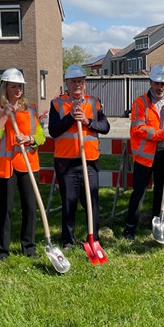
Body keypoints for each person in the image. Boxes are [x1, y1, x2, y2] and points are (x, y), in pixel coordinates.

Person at [0, 69, 45, 261]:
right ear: (5, 88)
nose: (18, 90)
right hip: (5, 167)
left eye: (20, 86)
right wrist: (5, 116)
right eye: (14, 86)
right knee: (6, 208)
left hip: (27, 165)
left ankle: (29, 247)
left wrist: (29, 138)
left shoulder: (30, 110)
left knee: (29, 206)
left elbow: (41, 137)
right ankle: (2, 250)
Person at [48, 65, 110, 248]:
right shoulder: (57, 104)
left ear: (85, 83)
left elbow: (105, 127)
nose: (77, 85)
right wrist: (70, 116)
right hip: (66, 163)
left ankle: (94, 238)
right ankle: (67, 240)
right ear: (66, 83)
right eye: (73, 81)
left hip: (89, 161)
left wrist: (86, 121)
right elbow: (53, 131)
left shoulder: (94, 102)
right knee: (69, 201)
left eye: (80, 81)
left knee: (92, 201)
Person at [122, 65, 164, 240]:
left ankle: (156, 222)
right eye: (157, 83)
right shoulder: (141, 103)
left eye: (163, 84)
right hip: (145, 157)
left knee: (162, 190)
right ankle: (130, 228)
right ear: (151, 82)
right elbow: (138, 128)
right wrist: (161, 134)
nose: (160, 87)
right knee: (139, 192)